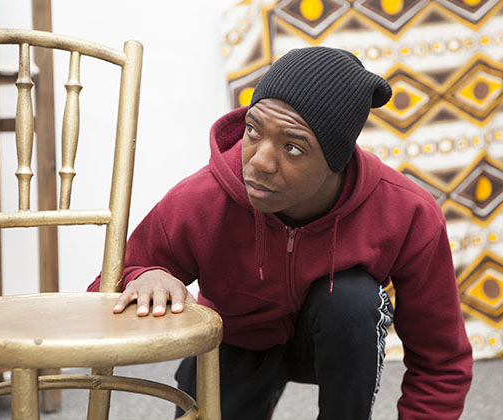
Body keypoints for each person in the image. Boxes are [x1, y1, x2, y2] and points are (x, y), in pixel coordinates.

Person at [88, 46, 473, 419]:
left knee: (354, 300)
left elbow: (441, 359)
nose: (259, 161)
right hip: (236, 340)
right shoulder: (204, 197)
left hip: (335, 344)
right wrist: (147, 274)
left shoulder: (406, 212)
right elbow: (110, 282)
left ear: (335, 163)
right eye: (254, 130)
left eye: (292, 147)